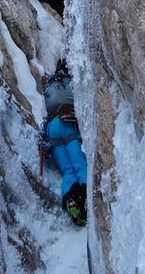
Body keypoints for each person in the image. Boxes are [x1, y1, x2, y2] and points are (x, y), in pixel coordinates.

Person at [41, 60, 87, 226]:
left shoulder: (48, 88)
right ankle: (87, 197)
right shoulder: (69, 82)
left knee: (68, 171)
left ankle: (71, 199)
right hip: (68, 123)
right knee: (80, 165)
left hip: (52, 128)